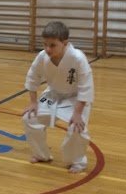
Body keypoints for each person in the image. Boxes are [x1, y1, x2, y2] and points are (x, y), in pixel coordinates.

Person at [22, 21, 94, 174]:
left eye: (53, 45)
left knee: (77, 127)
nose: (48, 49)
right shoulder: (42, 56)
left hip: (76, 98)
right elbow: (32, 78)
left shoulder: (78, 58)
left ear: (65, 43)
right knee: (30, 117)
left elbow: (85, 88)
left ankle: (76, 161)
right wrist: (33, 102)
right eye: (45, 44)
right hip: (52, 94)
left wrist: (77, 113)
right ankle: (41, 154)